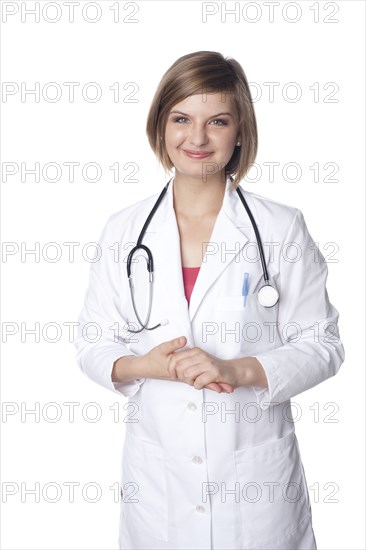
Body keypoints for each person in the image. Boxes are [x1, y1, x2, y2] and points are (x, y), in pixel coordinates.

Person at [74, 51, 345, 550]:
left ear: (240, 131)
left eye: (217, 121)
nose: (197, 139)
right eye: (181, 119)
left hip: (254, 484)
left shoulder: (281, 228)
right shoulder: (124, 230)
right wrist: (142, 366)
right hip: (160, 485)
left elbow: (323, 344)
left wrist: (239, 371)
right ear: (160, 126)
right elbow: (92, 343)